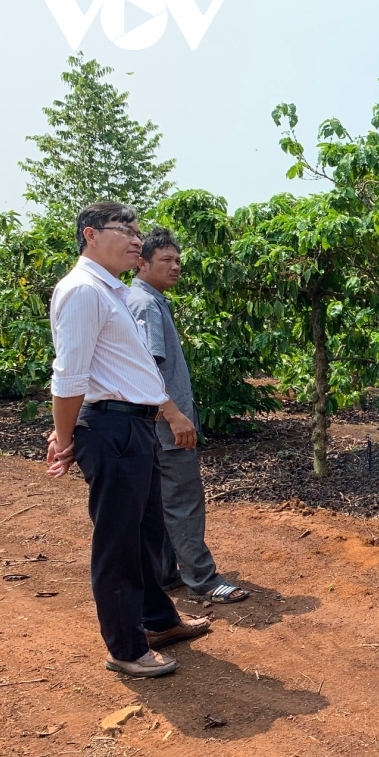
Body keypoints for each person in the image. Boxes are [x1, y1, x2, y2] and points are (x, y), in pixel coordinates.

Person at [47, 202, 211, 678]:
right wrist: (65, 436)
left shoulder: (110, 291)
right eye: (127, 230)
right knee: (117, 541)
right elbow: (70, 373)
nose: (137, 240)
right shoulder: (81, 290)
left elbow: (128, 368)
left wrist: (165, 411)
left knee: (145, 532)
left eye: (138, 232)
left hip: (131, 424)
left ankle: (157, 622)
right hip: (112, 428)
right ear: (91, 234)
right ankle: (125, 647)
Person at [128, 227, 249, 604]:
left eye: (178, 260)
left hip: (156, 421)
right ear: (142, 262)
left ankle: (165, 573)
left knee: (163, 500)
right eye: (166, 260)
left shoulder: (150, 299)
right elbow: (148, 365)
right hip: (166, 423)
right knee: (183, 500)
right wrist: (174, 415)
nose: (176, 267)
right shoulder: (145, 303)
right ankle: (204, 581)